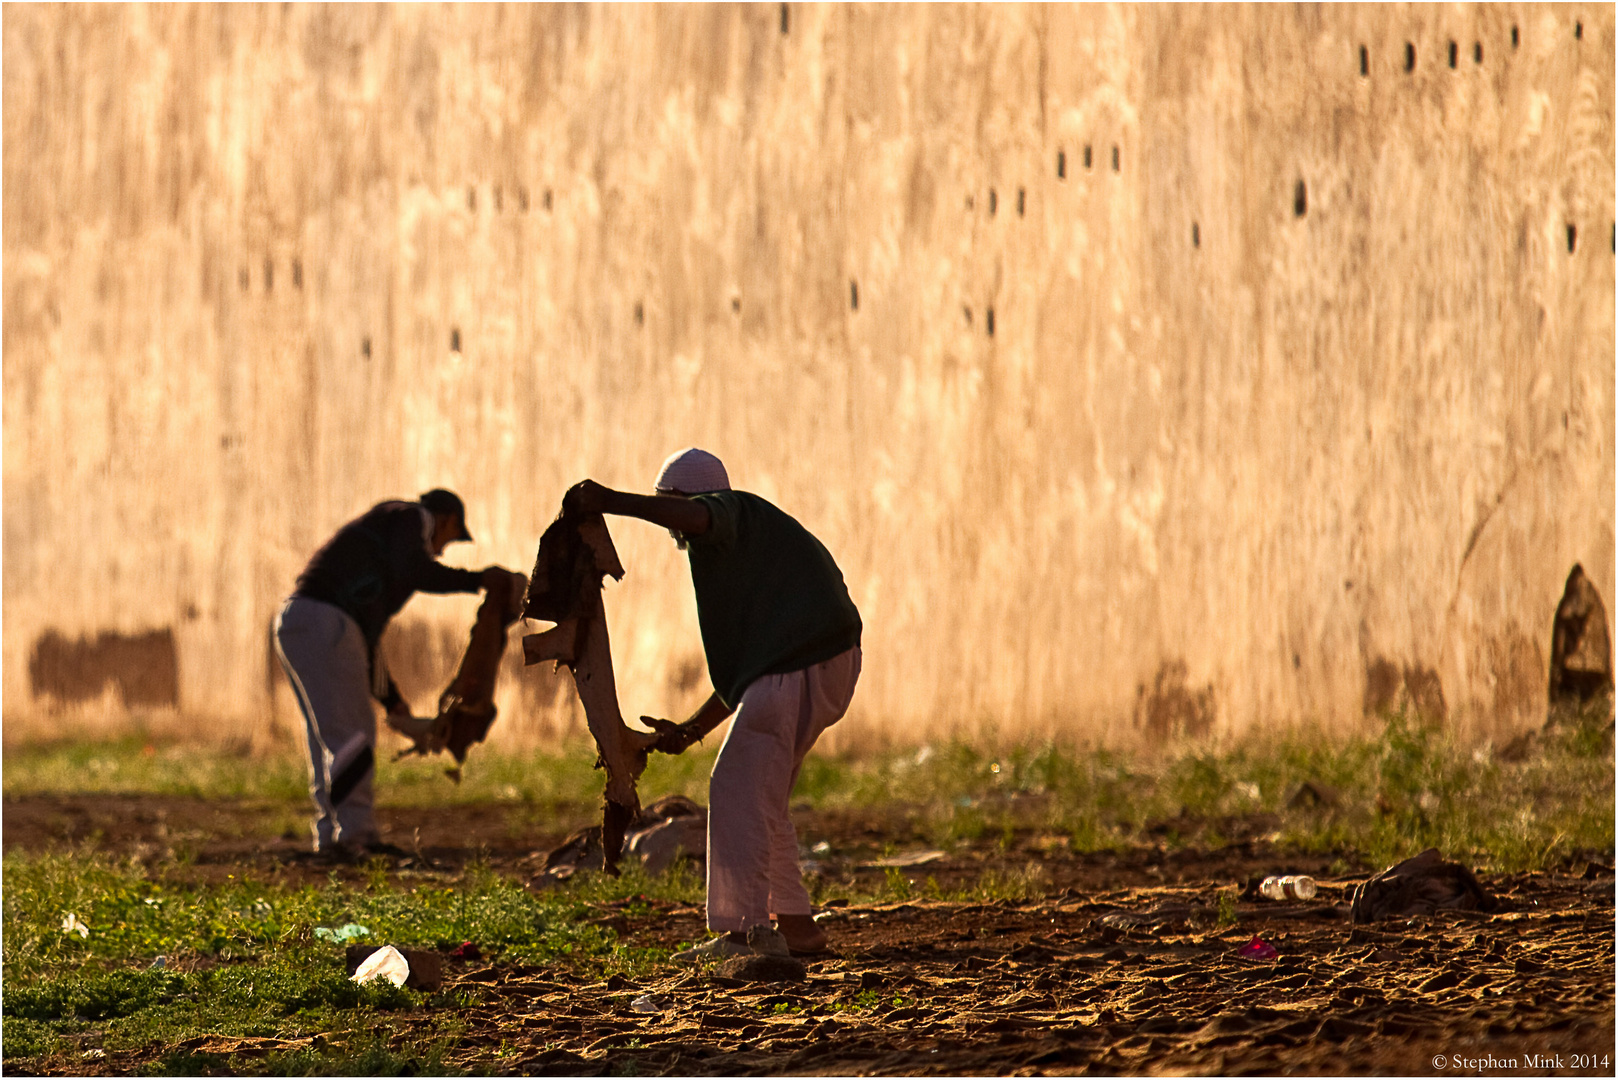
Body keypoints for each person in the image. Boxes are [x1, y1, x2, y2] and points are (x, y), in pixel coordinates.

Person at [569, 448, 862, 957]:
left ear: (686, 501)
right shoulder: (746, 551)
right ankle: (797, 928)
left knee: (735, 785)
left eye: (670, 511)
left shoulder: (730, 514)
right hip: (824, 661)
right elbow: (750, 678)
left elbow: (700, 513)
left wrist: (609, 500)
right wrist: (689, 729)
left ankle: (744, 934)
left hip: (806, 662)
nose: (672, 529)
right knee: (762, 794)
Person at [273, 489, 512, 857]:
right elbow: (415, 570)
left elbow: (365, 641)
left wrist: (393, 701)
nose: (442, 550)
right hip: (325, 622)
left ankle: (333, 835)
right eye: (451, 537)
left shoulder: (385, 545)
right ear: (445, 519)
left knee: (329, 736)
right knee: (352, 735)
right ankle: (356, 835)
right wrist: (477, 580)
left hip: (301, 622)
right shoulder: (410, 517)